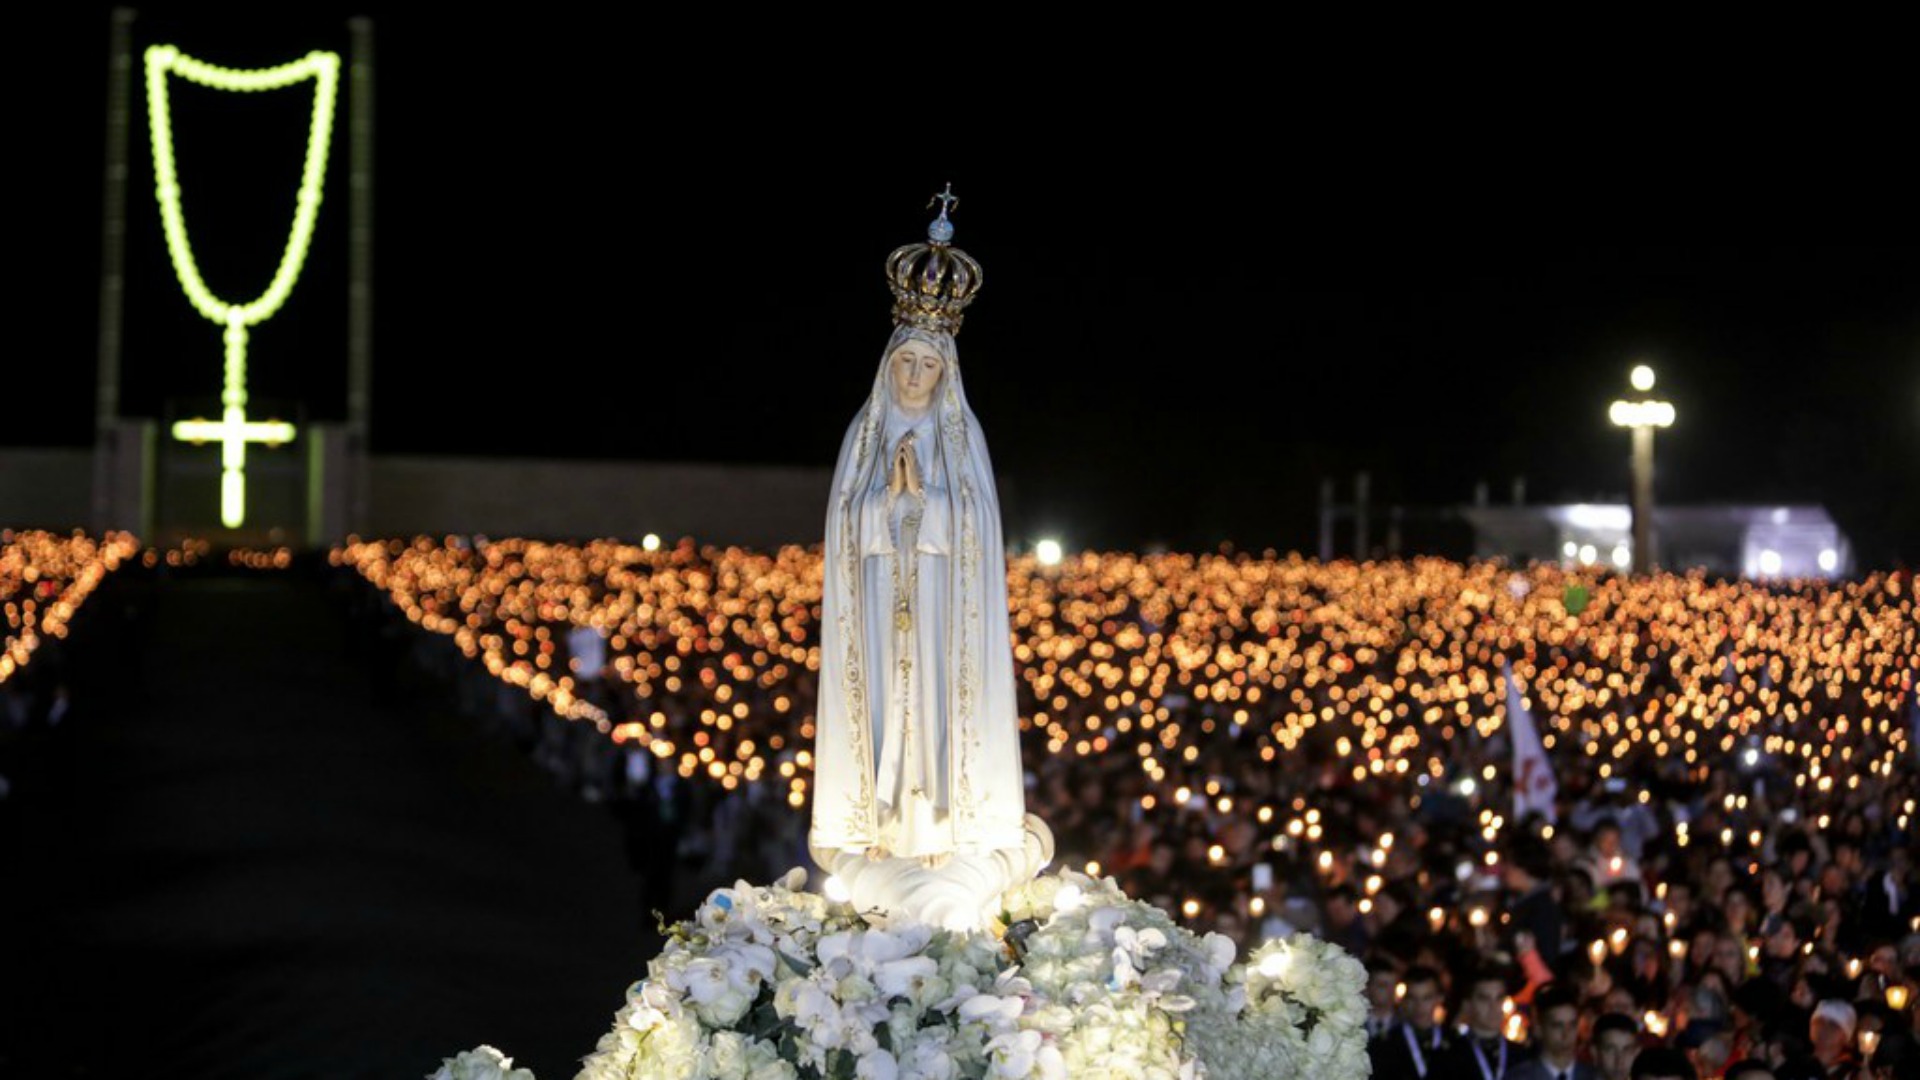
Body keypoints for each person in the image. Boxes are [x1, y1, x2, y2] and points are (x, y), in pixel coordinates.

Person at [809, 190, 1027, 868]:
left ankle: (945, 824)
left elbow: (979, 530)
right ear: (888, 364)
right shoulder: (865, 434)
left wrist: (925, 504)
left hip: (942, 610)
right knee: (883, 702)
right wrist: (885, 504)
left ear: (945, 373)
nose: (914, 375)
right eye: (905, 361)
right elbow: (845, 525)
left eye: (928, 365)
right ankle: (878, 821)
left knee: (935, 704)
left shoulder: (962, 442)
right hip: (878, 604)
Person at [1510, 984, 1595, 1080]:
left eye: (1572, 1025)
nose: (1566, 1034)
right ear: (1539, 1029)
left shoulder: (1594, 1076)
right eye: (1558, 1026)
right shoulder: (1518, 1077)